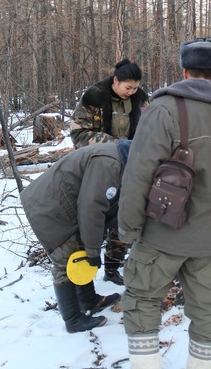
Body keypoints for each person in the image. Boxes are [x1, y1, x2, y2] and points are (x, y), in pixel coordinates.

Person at [118, 38, 211, 369]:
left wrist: (129, 226)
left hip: (161, 232)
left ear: (184, 70)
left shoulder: (164, 109)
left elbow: (138, 173)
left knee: (140, 302)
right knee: (207, 309)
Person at [20, 141, 130, 333]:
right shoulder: (109, 163)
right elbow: (92, 208)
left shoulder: (123, 161)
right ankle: (72, 320)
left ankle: (88, 300)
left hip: (67, 203)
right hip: (50, 205)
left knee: (80, 251)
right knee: (67, 259)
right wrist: (93, 249)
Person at [70, 58, 149, 286]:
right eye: (127, 87)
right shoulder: (94, 97)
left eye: (135, 88)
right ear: (116, 80)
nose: (131, 92)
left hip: (131, 165)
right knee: (93, 214)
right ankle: (83, 268)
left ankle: (113, 267)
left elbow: (153, 127)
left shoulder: (141, 100)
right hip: (99, 165)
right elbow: (79, 134)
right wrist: (114, 145)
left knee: (124, 215)